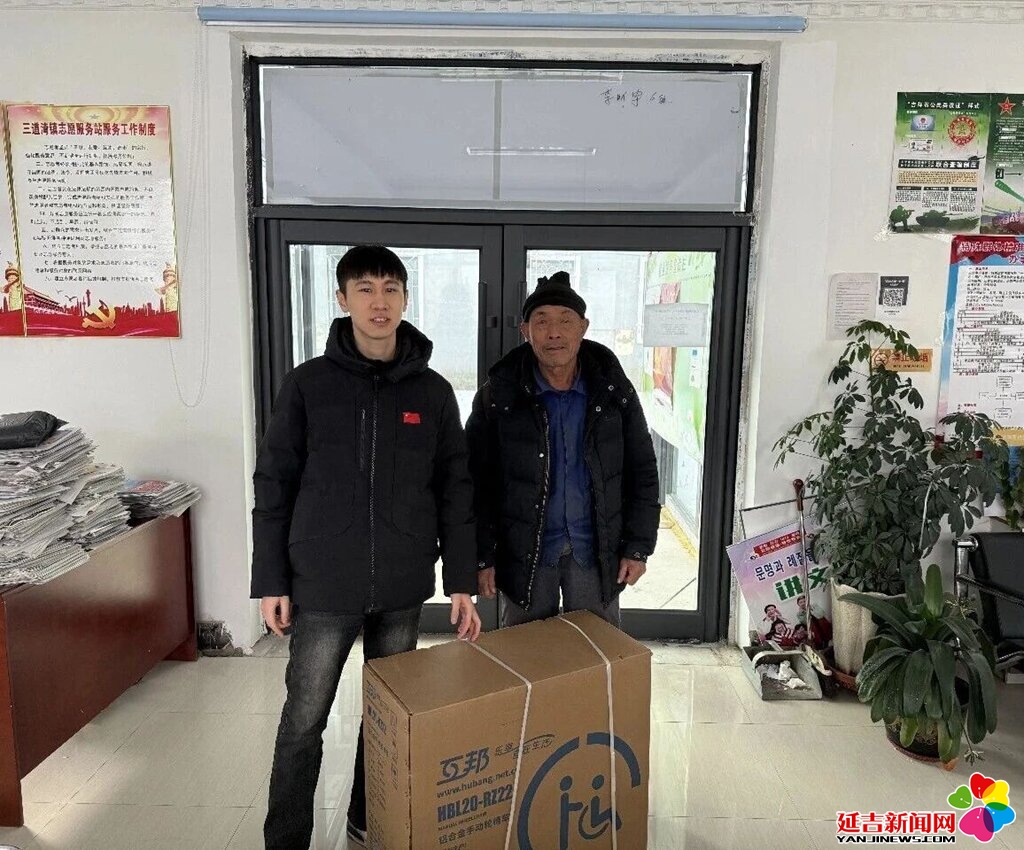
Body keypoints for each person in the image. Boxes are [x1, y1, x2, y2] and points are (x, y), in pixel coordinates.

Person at [251, 245, 481, 849]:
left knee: (385, 717)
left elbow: (454, 489)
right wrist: (271, 579)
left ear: (405, 298)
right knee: (304, 721)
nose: (380, 302)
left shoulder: (433, 392)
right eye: (366, 289)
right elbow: (274, 483)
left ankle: (366, 816)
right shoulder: (308, 385)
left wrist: (460, 581)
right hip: (323, 582)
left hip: (401, 585)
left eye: (390, 289)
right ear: (343, 298)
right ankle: (285, 840)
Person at [467, 271, 660, 627]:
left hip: (596, 552)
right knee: (524, 653)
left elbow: (643, 471)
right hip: (525, 554)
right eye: (541, 321)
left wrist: (638, 546)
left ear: (583, 328)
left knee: (596, 651)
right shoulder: (499, 395)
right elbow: (476, 481)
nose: (554, 333)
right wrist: (482, 556)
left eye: (565, 320)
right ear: (525, 331)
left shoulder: (614, 392)